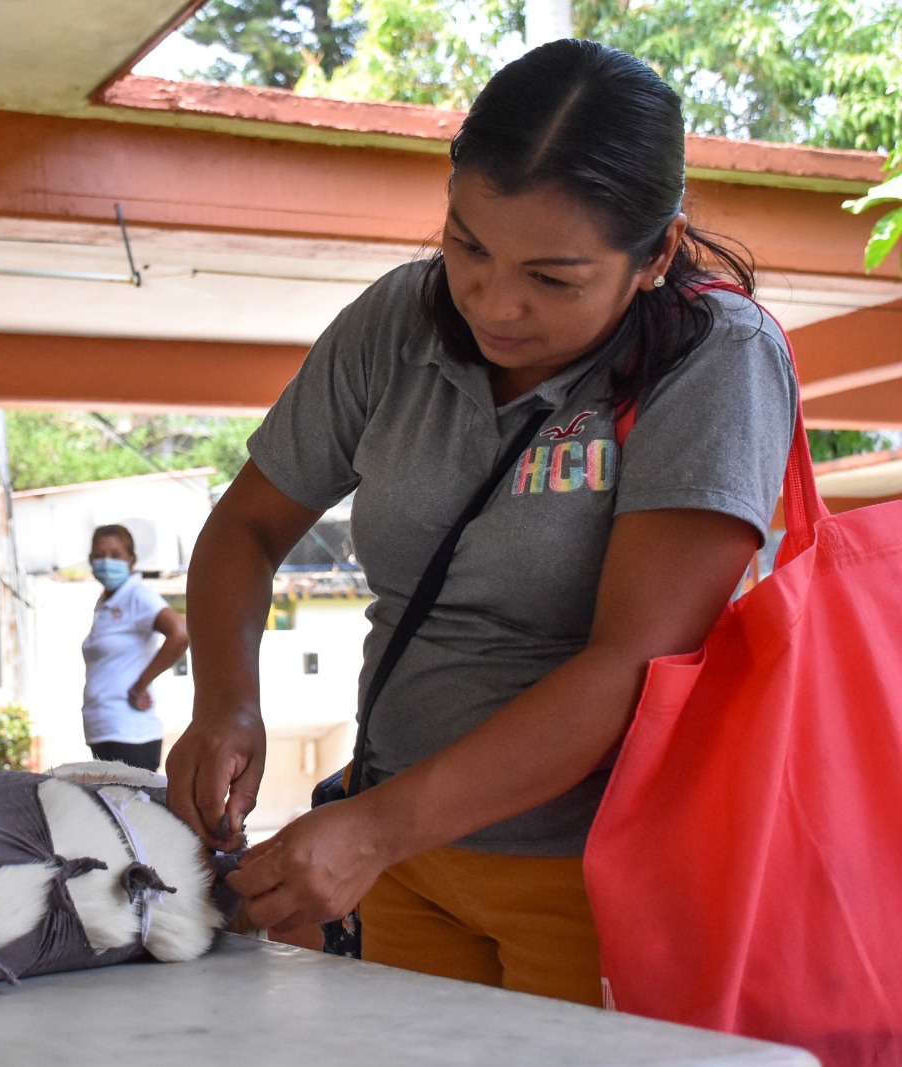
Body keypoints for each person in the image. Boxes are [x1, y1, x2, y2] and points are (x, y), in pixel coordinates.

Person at [165, 39, 795, 1006]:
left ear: (655, 254)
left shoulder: (719, 360)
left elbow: (637, 663)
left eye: (554, 278)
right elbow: (247, 528)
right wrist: (228, 703)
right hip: (404, 859)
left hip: (592, 873)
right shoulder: (398, 324)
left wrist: (371, 830)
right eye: (468, 245)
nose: (496, 304)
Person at [80, 524, 189, 772]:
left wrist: (141, 685)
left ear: (132, 560)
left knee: (130, 809)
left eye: (116, 555)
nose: (107, 562)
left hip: (130, 732)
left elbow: (179, 635)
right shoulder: (105, 602)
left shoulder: (138, 596)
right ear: (90, 560)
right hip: (101, 728)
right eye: (99, 555)